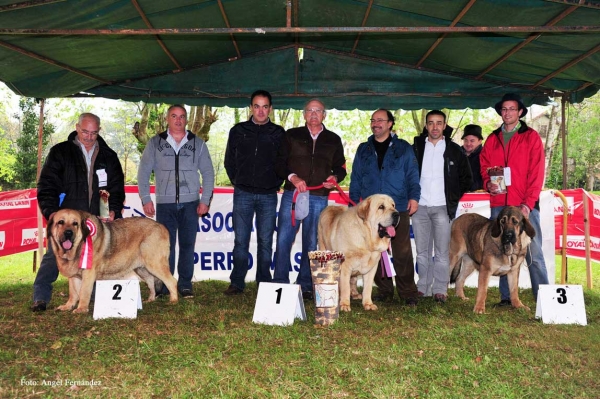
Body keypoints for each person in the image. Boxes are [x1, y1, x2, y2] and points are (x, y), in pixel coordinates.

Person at [31, 113, 125, 311]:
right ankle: (40, 297)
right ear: (76, 128)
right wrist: (52, 215)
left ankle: (93, 298)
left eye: (93, 133)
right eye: (85, 131)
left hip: (96, 221)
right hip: (68, 222)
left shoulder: (109, 156)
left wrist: (114, 209)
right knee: (52, 257)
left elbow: (117, 187)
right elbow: (47, 185)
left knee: (98, 260)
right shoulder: (60, 152)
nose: (89, 136)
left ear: (99, 131)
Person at [272, 99, 346, 301]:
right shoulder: (291, 135)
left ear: (324, 115)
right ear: (304, 114)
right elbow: (279, 163)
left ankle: (305, 285)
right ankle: (279, 283)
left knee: (312, 242)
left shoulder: (333, 139)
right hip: (292, 195)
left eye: (318, 111)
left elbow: (341, 167)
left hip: (319, 197)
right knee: (283, 239)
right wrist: (293, 177)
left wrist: (335, 178)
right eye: (310, 111)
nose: (314, 114)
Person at [138, 104, 215, 299]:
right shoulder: (155, 143)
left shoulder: (198, 143)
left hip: (191, 203)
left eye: (182, 116)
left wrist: (205, 200)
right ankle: (165, 283)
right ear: (167, 119)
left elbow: (208, 173)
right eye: (174, 116)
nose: (178, 120)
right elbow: (144, 172)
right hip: (165, 204)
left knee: (188, 244)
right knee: (166, 247)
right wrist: (145, 198)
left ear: (187, 120)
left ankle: (185, 284)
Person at [480, 93, 549, 306]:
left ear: (520, 112)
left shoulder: (531, 137)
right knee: (502, 251)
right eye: (504, 109)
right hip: (499, 206)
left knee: (533, 254)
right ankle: (507, 298)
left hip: (524, 207)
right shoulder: (492, 138)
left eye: (512, 109)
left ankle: (545, 300)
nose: (507, 112)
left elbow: (537, 173)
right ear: (501, 112)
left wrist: (528, 204)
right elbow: (484, 168)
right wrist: (487, 184)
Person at [349, 109, 421, 306]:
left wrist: (414, 197)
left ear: (390, 124)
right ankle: (384, 290)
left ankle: (408, 293)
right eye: (373, 120)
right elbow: (355, 178)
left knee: (402, 251)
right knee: (374, 251)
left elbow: (413, 176)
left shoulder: (404, 148)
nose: (375, 123)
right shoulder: (363, 149)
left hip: (397, 208)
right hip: (372, 212)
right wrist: (354, 205)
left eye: (380, 120)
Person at [223, 90, 285, 295]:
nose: (260, 110)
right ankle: (237, 282)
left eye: (265, 106)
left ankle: (264, 283)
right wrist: (239, 181)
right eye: (257, 106)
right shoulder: (238, 130)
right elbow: (229, 161)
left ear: (270, 109)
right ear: (251, 107)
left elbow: (283, 162)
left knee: (265, 242)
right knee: (240, 240)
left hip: (268, 195)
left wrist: (275, 182)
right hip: (243, 194)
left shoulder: (278, 133)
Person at [413, 110, 472, 303]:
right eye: (431, 123)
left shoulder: (455, 150)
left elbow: (466, 179)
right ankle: (423, 287)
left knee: (441, 253)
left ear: (444, 126)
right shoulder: (416, 148)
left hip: (442, 208)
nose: (435, 127)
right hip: (420, 207)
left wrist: (452, 198)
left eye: (439, 123)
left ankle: (440, 289)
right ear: (426, 126)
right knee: (421, 252)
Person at [461, 124, 484, 191]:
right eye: (466, 140)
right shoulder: (457, 154)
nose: (468, 144)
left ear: (479, 141)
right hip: (457, 196)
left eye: (472, 141)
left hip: (479, 196)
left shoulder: (485, 156)